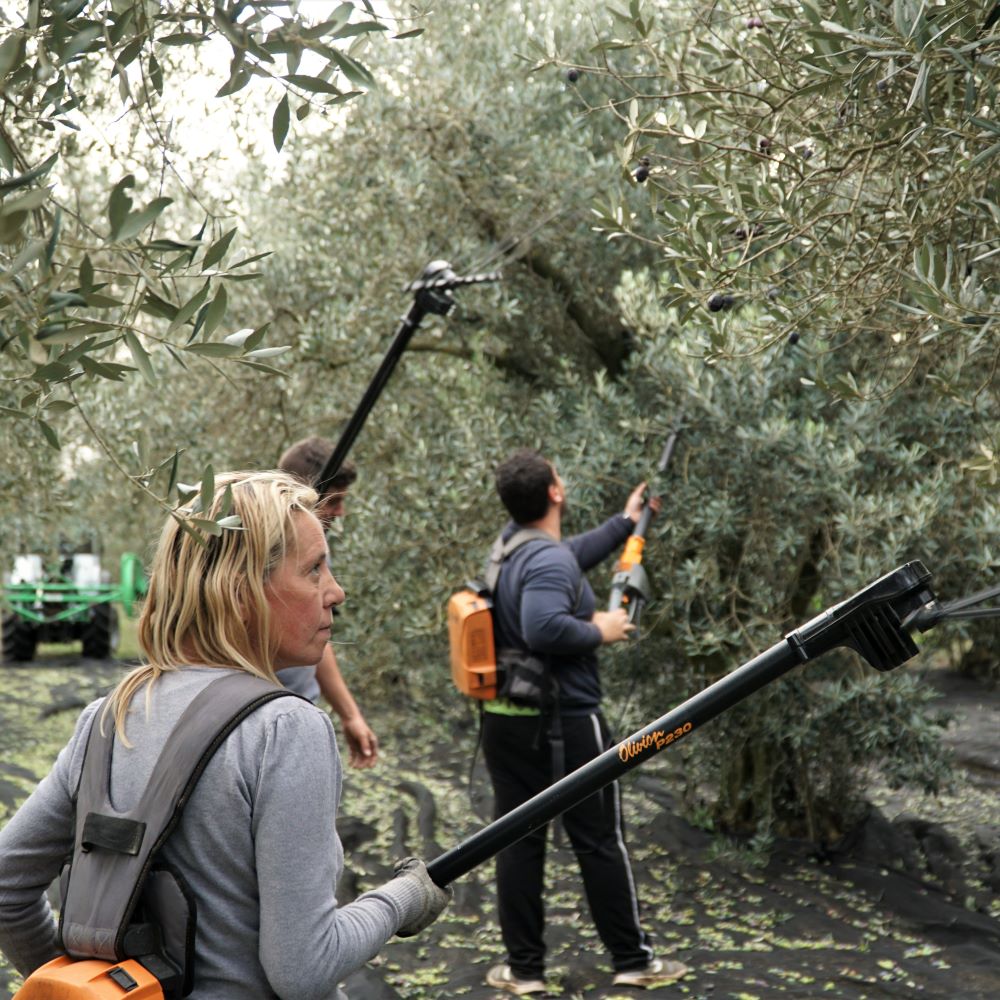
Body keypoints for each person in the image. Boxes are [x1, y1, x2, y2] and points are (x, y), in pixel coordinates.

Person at [0, 470, 450, 998]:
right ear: (241, 594)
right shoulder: (286, 729)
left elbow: (7, 885)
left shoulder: (106, 718)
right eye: (313, 570)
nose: (336, 592)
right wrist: (404, 898)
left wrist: (85, 983)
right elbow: (303, 969)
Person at [482, 448, 690, 995]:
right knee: (599, 841)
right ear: (554, 492)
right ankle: (632, 960)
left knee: (519, 844)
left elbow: (568, 557)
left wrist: (626, 523)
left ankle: (525, 972)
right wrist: (603, 628)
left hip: (507, 722)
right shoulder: (547, 561)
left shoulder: (513, 548)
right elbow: (544, 626)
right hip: (565, 724)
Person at [277, 436, 379, 769]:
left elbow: (317, 632)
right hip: (272, 721)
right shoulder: (270, 554)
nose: (340, 512)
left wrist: (350, 715)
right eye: (333, 501)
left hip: (301, 707)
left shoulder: (311, 548)